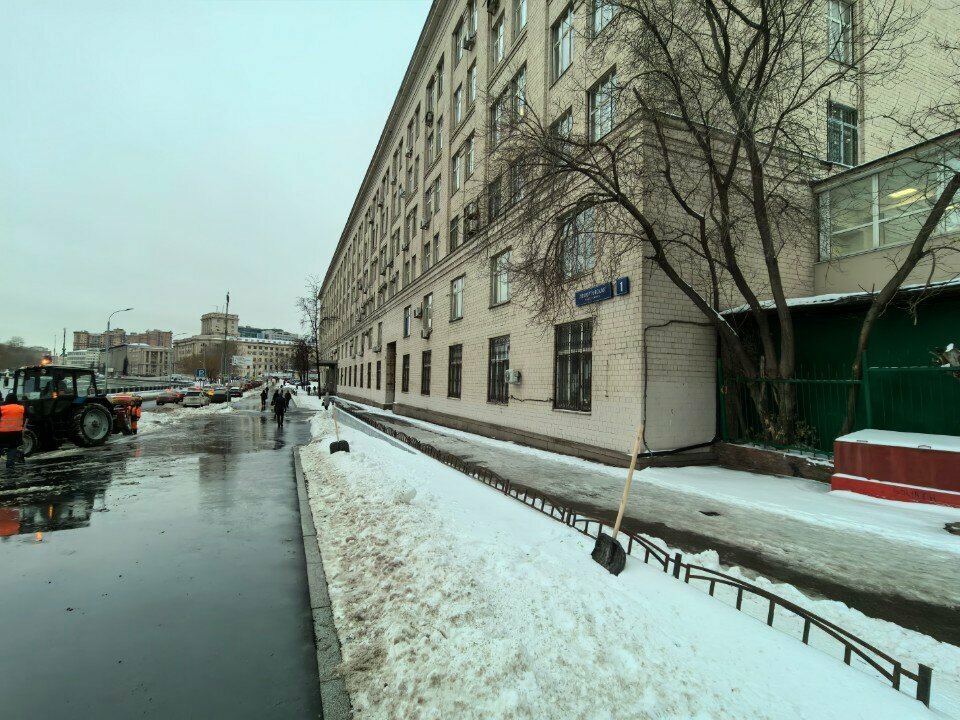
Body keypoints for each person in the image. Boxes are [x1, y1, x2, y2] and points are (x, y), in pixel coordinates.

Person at [0, 400, 26, 468]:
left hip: (3, 433)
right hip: (16, 433)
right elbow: (32, 414)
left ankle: (4, 454)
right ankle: (10, 463)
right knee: (12, 447)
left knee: (2, 446)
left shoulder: (2, 408)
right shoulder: (21, 407)